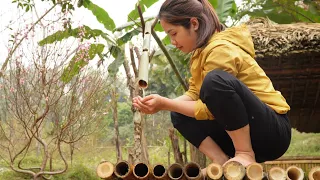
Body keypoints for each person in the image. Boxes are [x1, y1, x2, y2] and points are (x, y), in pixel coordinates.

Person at [133, 0, 291, 168]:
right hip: (246, 131)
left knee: (214, 81)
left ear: (194, 23)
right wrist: (161, 103)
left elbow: (212, 108)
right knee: (178, 113)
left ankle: (244, 153)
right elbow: (195, 92)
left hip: (272, 133)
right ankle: (221, 160)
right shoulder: (200, 52)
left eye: (173, 33)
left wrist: (165, 104)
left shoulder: (220, 48)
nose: (172, 41)